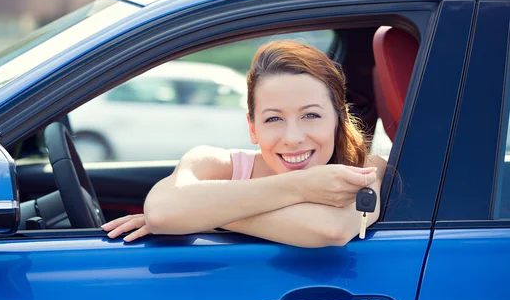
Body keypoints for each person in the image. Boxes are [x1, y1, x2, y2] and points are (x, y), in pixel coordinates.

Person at [102, 40, 387, 247]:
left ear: (338, 119)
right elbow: (162, 211)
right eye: (274, 119)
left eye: (311, 115)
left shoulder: (366, 169)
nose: (292, 137)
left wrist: (203, 215)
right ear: (253, 127)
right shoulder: (215, 163)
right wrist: (301, 186)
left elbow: (333, 229)